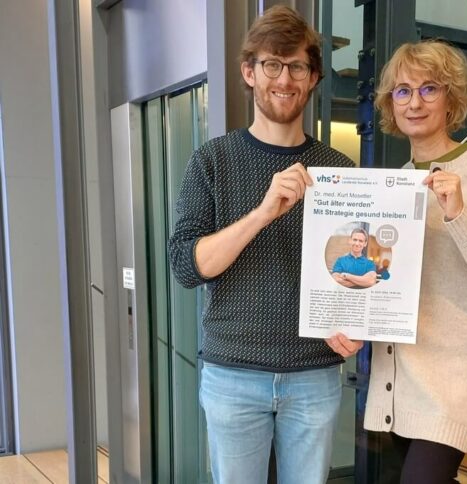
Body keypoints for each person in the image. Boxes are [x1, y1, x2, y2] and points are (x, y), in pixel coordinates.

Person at [325, 40, 467, 483]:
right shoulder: (397, 182)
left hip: (451, 383)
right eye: (402, 91)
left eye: (429, 89)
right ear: (390, 104)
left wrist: (459, 213)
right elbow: (386, 279)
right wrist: (353, 323)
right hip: (399, 381)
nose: (414, 102)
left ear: (451, 98)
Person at [167, 6, 356, 484]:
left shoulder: (340, 171)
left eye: (297, 67)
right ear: (249, 72)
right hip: (233, 375)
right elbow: (186, 266)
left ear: (313, 78)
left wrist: (360, 326)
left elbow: (362, 265)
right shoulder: (212, 160)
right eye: (272, 64)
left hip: (314, 373)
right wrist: (261, 213)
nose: (284, 78)